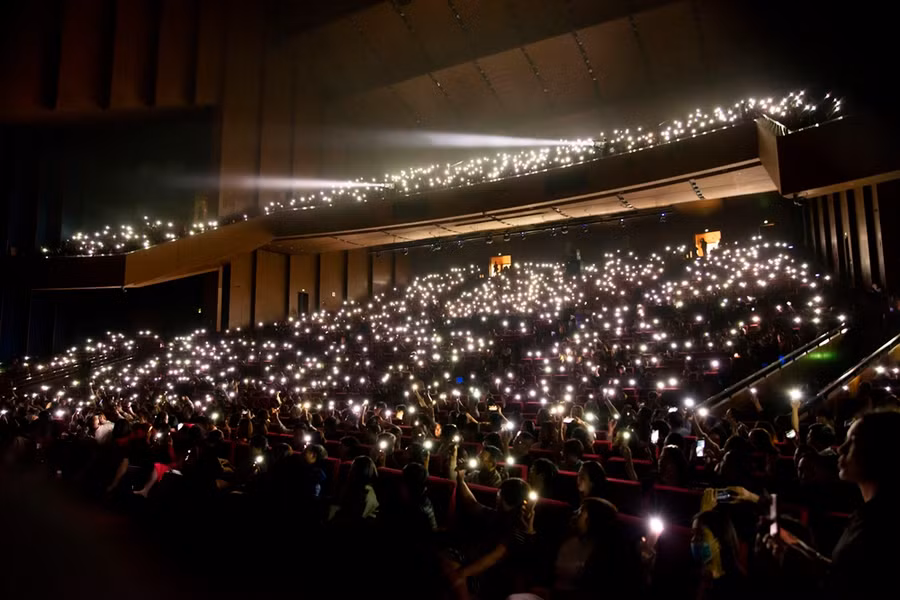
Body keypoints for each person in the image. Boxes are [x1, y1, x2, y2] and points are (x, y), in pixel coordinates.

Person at [764, 411, 900, 599]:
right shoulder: (868, 511)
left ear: (882, 450)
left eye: (852, 441)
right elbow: (852, 574)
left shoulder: (883, 522)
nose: (840, 448)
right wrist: (807, 552)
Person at [552, 498, 643, 599]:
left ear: (593, 520)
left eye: (581, 511)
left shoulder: (605, 555)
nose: (576, 514)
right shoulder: (567, 539)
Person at [331, 456, 379, 522]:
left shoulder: (367, 493)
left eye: (353, 468)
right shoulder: (350, 486)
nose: (350, 470)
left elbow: (357, 518)